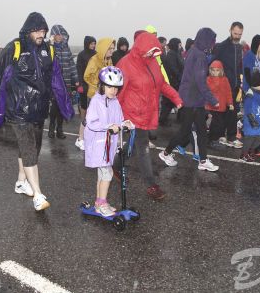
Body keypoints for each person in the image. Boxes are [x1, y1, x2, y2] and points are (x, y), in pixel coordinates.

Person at [0, 11, 74, 211]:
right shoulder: (14, 49)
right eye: (37, 30)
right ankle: (37, 193)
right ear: (28, 30)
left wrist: (66, 107)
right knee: (29, 149)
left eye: (43, 31)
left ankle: (21, 181)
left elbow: (57, 81)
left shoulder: (49, 50)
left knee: (32, 147)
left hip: (39, 108)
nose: (41, 34)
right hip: (18, 109)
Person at [116, 32, 182, 200]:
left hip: (147, 112)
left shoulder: (153, 63)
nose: (151, 54)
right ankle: (151, 184)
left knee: (131, 145)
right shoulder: (126, 64)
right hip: (132, 114)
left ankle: (115, 166)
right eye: (149, 51)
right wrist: (115, 116)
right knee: (143, 148)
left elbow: (161, 84)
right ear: (141, 47)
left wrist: (176, 98)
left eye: (154, 51)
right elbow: (118, 93)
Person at [159, 28, 219, 172]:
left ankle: (203, 160)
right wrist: (212, 99)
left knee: (201, 131)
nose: (213, 43)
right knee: (185, 131)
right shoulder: (199, 55)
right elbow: (200, 81)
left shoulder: (195, 51)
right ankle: (166, 153)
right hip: (192, 99)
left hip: (193, 98)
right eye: (211, 40)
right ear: (206, 40)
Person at [84, 66, 133, 216]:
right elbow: (91, 122)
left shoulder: (114, 102)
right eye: (110, 87)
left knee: (103, 174)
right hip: (98, 144)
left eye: (116, 88)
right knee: (107, 174)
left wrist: (124, 124)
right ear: (102, 85)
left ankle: (99, 203)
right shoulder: (96, 101)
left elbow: (118, 120)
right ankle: (102, 203)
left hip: (108, 144)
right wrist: (108, 127)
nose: (113, 90)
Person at [212, 21, 244, 149]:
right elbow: (214, 65)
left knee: (233, 111)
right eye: (235, 33)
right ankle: (221, 136)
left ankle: (231, 137)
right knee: (221, 112)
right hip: (223, 86)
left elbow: (239, 66)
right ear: (230, 30)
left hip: (236, 86)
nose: (237, 36)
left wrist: (241, 80)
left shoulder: (240, 47)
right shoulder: (222, 46)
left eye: (240, 34)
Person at [48, 24, 78, 139]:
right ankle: (51, 127)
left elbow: (71, 64)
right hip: (55, 83)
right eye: (57, 34)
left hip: (67, 82)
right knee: (55, 106)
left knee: (63, 106)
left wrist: (75, 79)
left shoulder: (66, 47)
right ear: (53, 35)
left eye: (61, 34)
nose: (60, 37)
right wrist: (50, 44)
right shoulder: (49, 47)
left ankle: (59, 129)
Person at [205, 60, 234, 148]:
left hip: (221, 107)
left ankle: (214, 139)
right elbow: (209, 91)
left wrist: (230, 103)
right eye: (213, 70)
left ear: (221, 70)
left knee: (220, 125)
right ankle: (211, 141)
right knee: (214, 125)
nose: (215, 72)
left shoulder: (225, 80)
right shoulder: (208, 79)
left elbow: (228, 92)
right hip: (211, 107)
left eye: (217, 70)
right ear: (210, 70)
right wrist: (216, 81)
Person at [74, 36, 96, 150]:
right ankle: (83, 123)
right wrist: (81, 84)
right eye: (91, 43)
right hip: (84, 84)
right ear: (87, 43)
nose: (93, 45)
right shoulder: (82, 55)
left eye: (94, 43)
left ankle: (90, 124)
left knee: (93, 106)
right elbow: (79, 69)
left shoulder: (96, 54)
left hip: (94, 85)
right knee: (84, 105)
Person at [239, 71, 260, 162]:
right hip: (252, 123)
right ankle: (244, 154)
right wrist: (252, 121)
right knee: (249, 139)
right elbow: (247, 109)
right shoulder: (250, 95)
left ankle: (250, 150)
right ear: (255, 85)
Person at [159, 38, 184, 126]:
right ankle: (162, 120)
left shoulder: (175, 54)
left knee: (172, 101)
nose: (180, 46)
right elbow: (173, 68)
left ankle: (179, 118)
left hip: (175, 81)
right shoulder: (172, 54)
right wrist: (179, 77)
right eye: (179, 44)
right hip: (173, 82)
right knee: (168, 102)